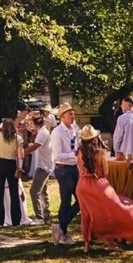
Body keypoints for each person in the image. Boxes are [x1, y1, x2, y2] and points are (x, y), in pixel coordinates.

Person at [75, 125, 133, 253]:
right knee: (109, 212)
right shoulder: (100, 153)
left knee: (87, 215)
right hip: (98, 184)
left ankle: (87, 245)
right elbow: (105, 172)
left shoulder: (79, 152)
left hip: (82, 185)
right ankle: (111, 242)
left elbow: (80, 169)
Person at [50, 103, 80, 245]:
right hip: (63, 169)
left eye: (73, 113)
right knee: (66, 201)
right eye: (70, 114)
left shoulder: (73, 129)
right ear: (62, 117)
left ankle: (61, 228)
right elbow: (57, 155)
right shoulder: (57, 132)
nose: (73, 116)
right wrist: (74, 156)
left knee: (81, 198)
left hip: (74, 168)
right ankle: (63, 233)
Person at [25, 110, 53, 225]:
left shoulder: (42, 133)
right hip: (45, 164)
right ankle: (46, 216)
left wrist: (22, 152)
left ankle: (39, 217)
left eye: (31, 122)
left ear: (35, 122)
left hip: (43, 165)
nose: (29, 125)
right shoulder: (42, 131)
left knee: (34, 191)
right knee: (43, 191)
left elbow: (35, 146)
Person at [112, 95, 133, 161]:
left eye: (122, 104)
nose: (121, 106)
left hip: (124, 154)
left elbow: (118, 137)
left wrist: (117, 150)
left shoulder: (122, 118)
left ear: (128, 105)